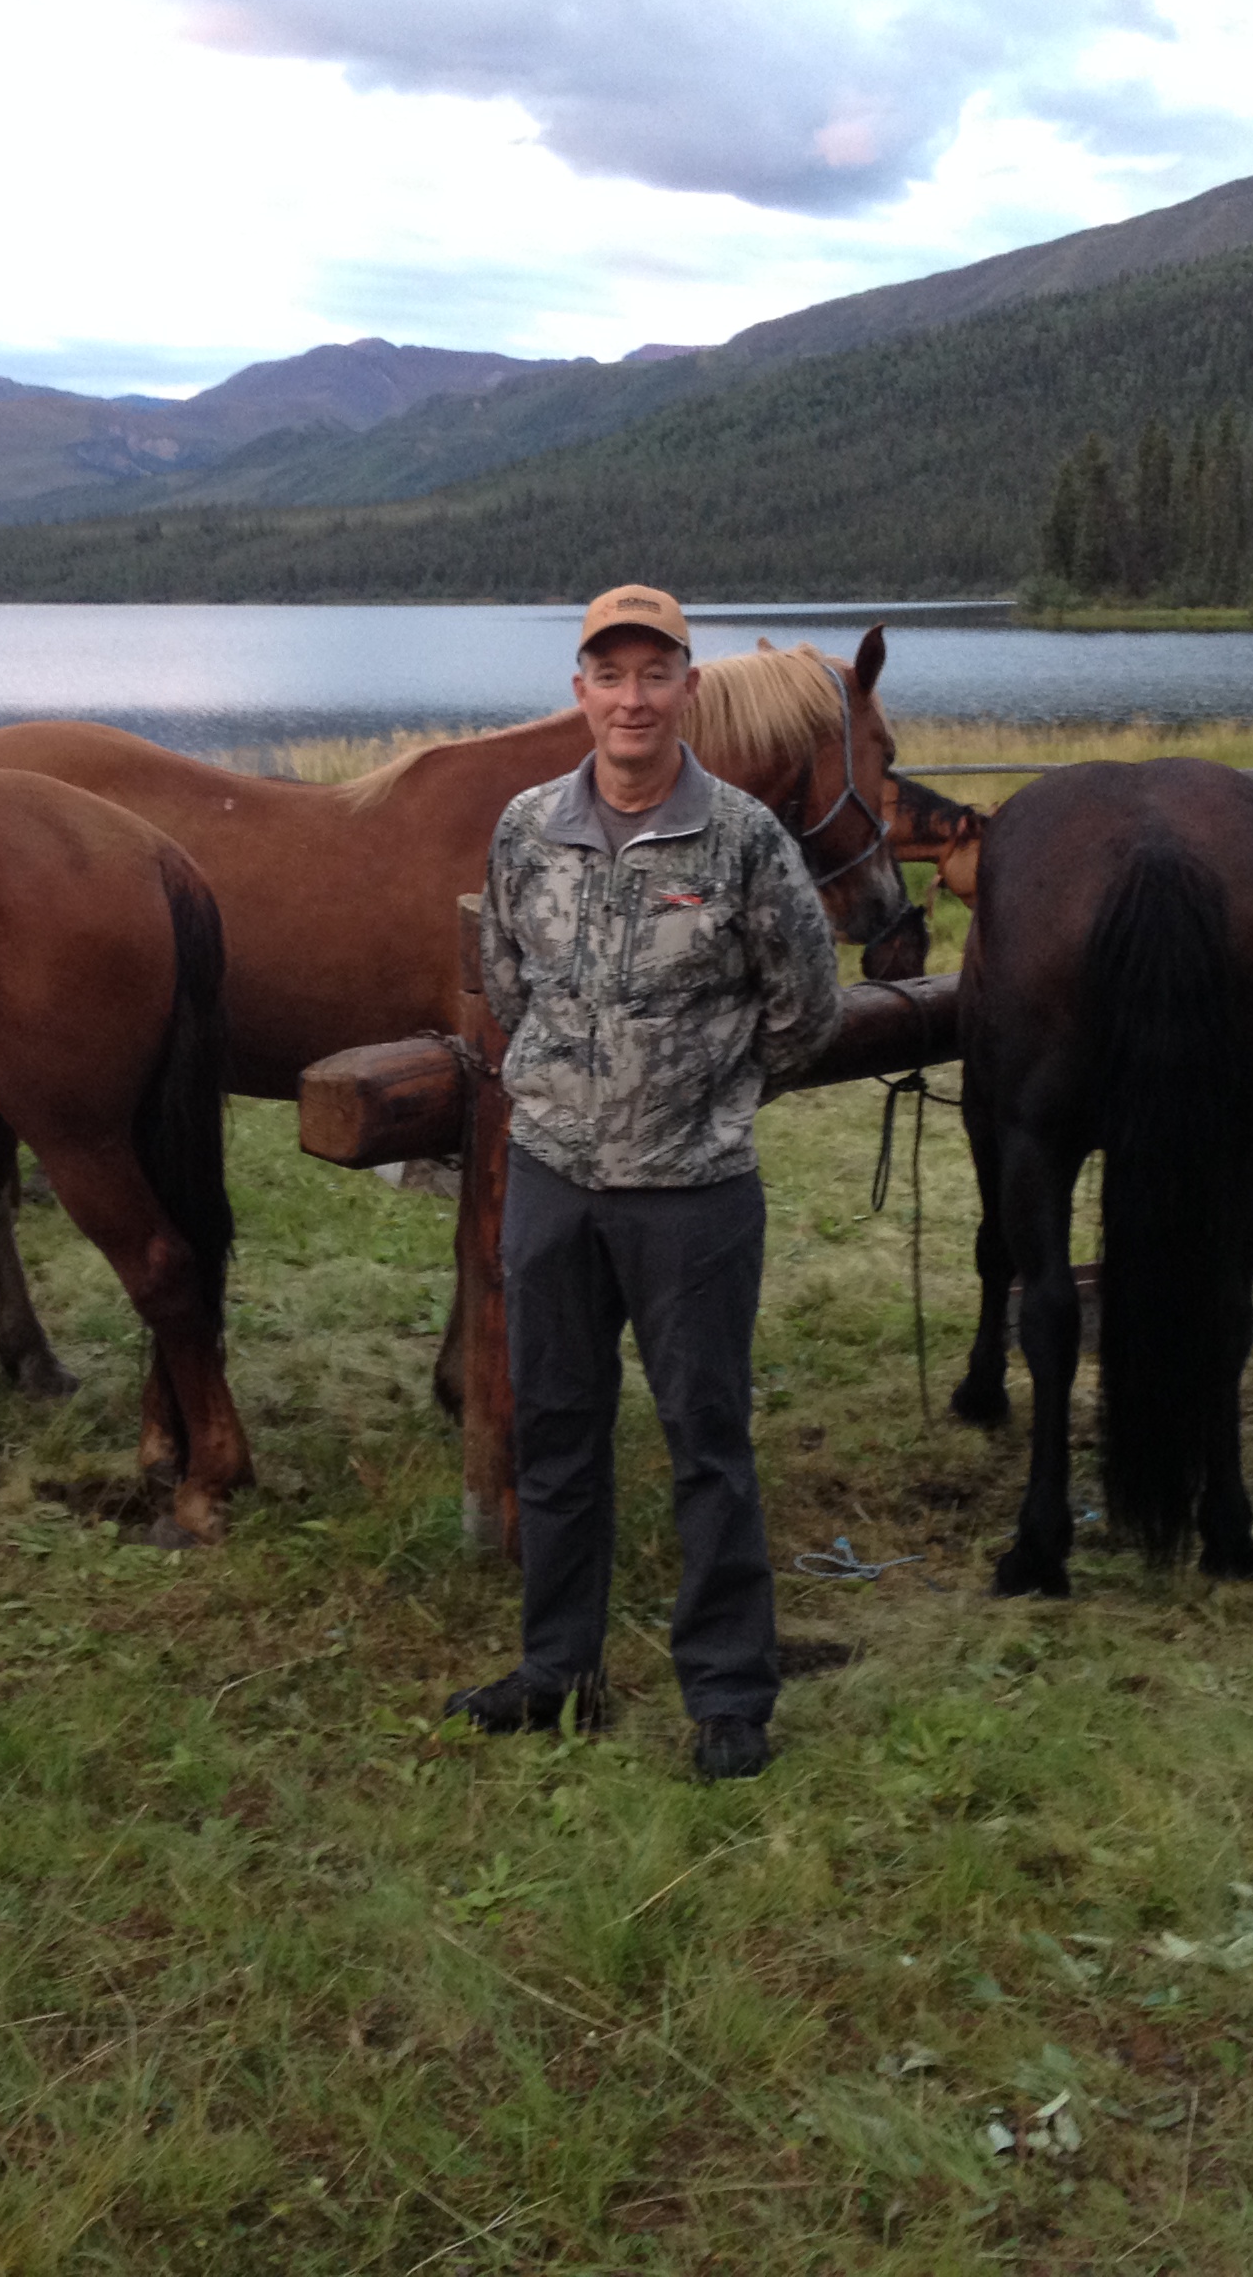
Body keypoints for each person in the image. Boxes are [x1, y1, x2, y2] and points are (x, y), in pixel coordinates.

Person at [447, 583, 841, 1782]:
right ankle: (557, 1670)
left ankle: (727, 1692)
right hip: (556, 1181)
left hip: (694, 1195)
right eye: (608, 675)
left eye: (653, 673)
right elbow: (506, 983)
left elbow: (807, 1009)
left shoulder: (744, 841)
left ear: (688, 689)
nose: (631, 698)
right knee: (557, 1434)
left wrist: (701, 1095)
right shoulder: (524, 830)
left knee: (705, 1438)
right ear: (580, 692)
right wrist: (575, 1090)